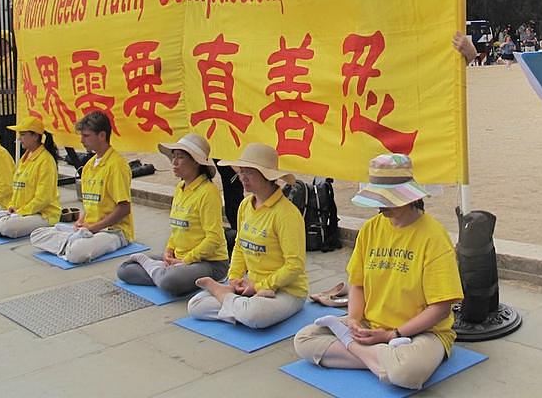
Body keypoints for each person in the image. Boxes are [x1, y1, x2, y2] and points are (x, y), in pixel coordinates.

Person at [294, 153, 463, 390]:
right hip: (370, 324)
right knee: (304, 340)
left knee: (406, 371)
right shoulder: (370, 229)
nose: (380, 205)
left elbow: (441, 308)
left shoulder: (434, 237)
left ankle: (360, 350)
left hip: (423, 333)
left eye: (387, 198)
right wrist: (353, 320)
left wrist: (392, 335)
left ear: (409, 197)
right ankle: (381, 358)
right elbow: (357, 284)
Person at [188, 143, 307, 328]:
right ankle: (235, 304)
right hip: (250, 287)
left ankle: (229, 301)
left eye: (249, 172)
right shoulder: (245, 205)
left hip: (286, 291)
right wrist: (234, 278)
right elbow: (239, 246)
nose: (242, 177)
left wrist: (261, 286)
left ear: (267, 176)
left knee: (254, 315)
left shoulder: (287, 214)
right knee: (196, 305)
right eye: (241, 172)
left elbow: (295, 265)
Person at [117, 133, 229, 295]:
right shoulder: (180, 188)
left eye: (180, 157)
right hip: (178, 258)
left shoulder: (208, 192)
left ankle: (161, 273)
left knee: (170, 281)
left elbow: (214, 238)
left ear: (196, 162)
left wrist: (186, 260)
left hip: (208, 262)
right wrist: (169, 251)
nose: (174, 162)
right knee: (125, 269)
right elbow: (177, 229)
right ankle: (161, 272)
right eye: (173, 156)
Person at [30, 112, 132, 263]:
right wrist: (81, 221)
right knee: (36, 234)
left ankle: (70, 244)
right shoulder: (89, 166)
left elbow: (124, 208)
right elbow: (90, 204)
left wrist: (94, 228)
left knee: (77, 252)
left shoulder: (117, 165)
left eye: (86, 136)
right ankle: (70, 243)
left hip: (112, 231)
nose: (82, 141)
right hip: (87, 229)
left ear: (102, 136)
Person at [0, 117, 61, 238]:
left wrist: (21, 211)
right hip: (20, 212)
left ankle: (3, 225)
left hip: (42, 214)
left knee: (6, 227)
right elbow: (16, 189)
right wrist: (12, 206)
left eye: (23, 134)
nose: (19, 138)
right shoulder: (24, 158)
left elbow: (43, 199)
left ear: (35, 136)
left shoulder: (46, 161)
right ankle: (2, 224)